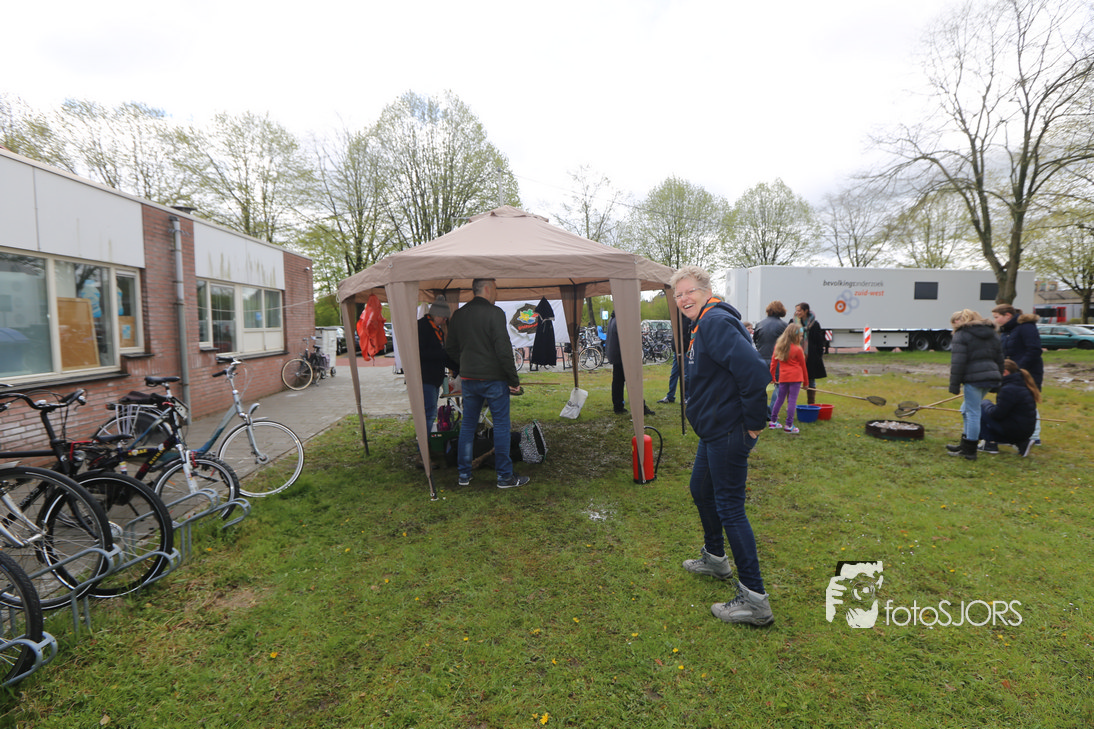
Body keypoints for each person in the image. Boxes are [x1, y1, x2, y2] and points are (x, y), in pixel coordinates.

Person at [672, 265, 774, 627]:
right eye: (678, 294)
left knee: (730, 508)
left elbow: (755, 372)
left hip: (729, 430)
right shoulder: (701, 323)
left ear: (706, 290)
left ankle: (755, 601)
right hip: (713, 428)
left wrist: (754, 425)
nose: (683, 299)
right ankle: (715, 559)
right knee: (701, 489)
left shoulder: (714, 322)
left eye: (689, 291)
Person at [444, 279, 529, 489]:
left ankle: (464, 474)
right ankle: (505, 477)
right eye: (496, 289)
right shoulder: (495, 313)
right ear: (488, 289)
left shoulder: (459, 315)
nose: (496, 294)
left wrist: (465, 365)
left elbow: (450, 348)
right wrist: (513, 379)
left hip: (469, 379)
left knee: (468, 425)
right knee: (501, 425)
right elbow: (503, 349)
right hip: (494, 380)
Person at [946, 308, 1003, 460]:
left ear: (961, 320)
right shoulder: (993, 333)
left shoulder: (961, 334)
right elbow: (1000, 358)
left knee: (972, 413)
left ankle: (970, 450)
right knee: (966, 410)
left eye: (954, 322)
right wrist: (998, 380)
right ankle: (964, 444)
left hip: (974, 378)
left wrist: (954, 385)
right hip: (990, 377)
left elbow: (958, 361)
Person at [993, 304, 1044, 445]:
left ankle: (1034, 437)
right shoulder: (1006, 331)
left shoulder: (1026, 327)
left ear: (1007, 315)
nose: (995, 320)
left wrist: (1018, 369)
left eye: (997, 317)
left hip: (1028, 372)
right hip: (1010, 373)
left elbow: (1034, 350)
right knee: (1009, 401)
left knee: (1028, 402)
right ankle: (1009, 434)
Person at [979, 359, 1039, 456]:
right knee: (987, 408)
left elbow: (996, 415)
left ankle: (990, 443)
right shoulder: (1020, 383)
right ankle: (1022, 443)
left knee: (980, 407)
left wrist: (985, 403)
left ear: (1005, 372)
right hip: (1025, 430)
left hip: (1016, 431)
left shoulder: (1008, 389)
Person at [417, 296, 458, 434]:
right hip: (425, 377)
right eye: (444, 318)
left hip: (435, 378)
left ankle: (426, 440)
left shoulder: (437, 330)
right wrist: (441, 354)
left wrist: (457, 367)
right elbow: (421, 353)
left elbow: (442, 355)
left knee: (430, 412)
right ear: (437, 314)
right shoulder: (422, 327)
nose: (445, 321)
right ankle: (424, 443)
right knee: (429, 413)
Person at [607, 311, 654, 416]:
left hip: (617, 355)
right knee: (633, 382)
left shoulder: (612, 319)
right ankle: (640, 407)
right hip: (623, 355)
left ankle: (618, 406)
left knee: (618, 382)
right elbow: (627, 338)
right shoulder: (620, 320)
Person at [768, 322, 807, 434]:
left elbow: (773, 364)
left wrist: (772, 377)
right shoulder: (798, 349)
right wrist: (806, 382)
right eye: (800, 336)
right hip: (796, 378)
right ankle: (789, 425)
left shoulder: (778, 347)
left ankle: (773, 421)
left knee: (780, 399)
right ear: (795, 336)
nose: (801, 338)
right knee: (792, 401)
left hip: (783, 377)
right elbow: (803, 366)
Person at [752, 301, 788, 415]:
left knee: (760, 386)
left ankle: (761, 410)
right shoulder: (784, 325)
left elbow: (755, 340)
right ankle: (772, 412)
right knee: (779, 386)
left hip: (761, 358)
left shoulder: (759, 324)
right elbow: (787, 344)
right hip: (777, 359)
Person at [794, 302, 827, 404]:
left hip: (811, 357)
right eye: (796, 310)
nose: (797, 312)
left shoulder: (815, 324)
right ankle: (791, 405)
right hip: (795, 356)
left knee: (811, 380)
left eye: (799, 310)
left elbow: (819, 342)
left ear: (806, 311)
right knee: (793, 381)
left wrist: (818, 356)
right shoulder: (793, 323)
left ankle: (811, 404)